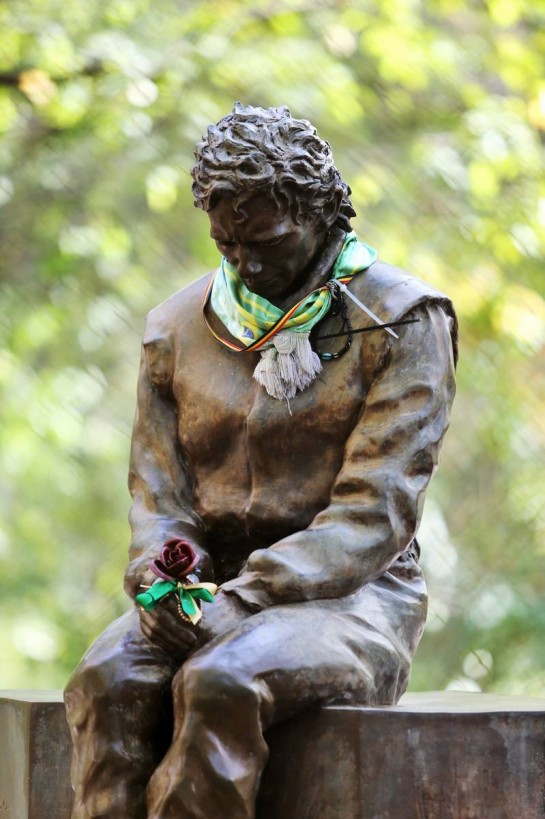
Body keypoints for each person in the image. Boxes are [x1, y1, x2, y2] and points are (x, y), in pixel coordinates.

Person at [64, 103, 457, 819]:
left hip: (349, 598)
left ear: (323, 213)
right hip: (204, 590)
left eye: (267, 241)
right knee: (106, 679)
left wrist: (243, 600)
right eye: (225, 242)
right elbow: (160, 499)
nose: (244, 264)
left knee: (221, 679)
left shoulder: (400, 320)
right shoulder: (175, 328)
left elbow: (374, 513)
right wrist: (163, 582)